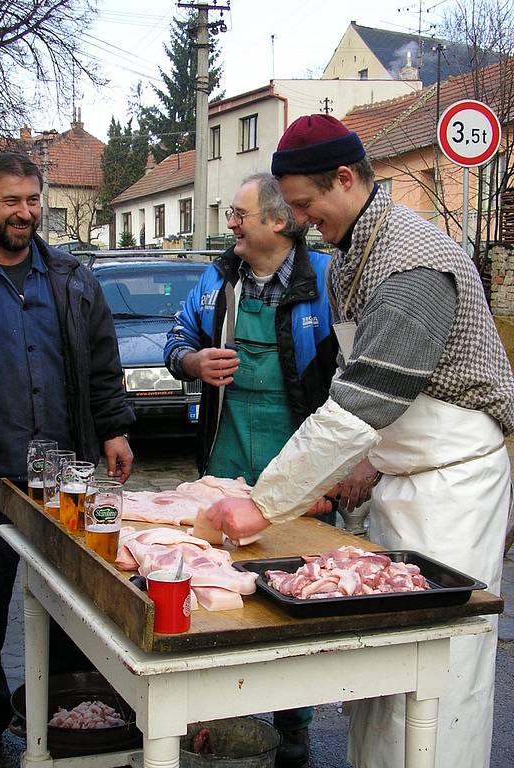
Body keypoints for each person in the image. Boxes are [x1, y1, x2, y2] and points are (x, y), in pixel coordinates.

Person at [205, 115, 514, 768]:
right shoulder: (351, 261)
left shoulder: (414, 264)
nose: (301, 222)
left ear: (345, 179)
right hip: (403, 479)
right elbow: (373, 395)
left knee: (440, 673)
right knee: (383, 676)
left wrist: (266, 502)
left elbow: (358, 404)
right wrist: (362, 471)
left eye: (306, 206)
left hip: (453, 490)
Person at [165, 172, 375, 768]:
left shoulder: (327, 282)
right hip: (226, 451)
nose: (228, 223)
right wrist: (192, 361)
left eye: (239, 214)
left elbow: (362, 374)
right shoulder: (217, 277)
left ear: (278, 223)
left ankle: (294, 727)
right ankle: (212, 714)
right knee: (216, 588)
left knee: (297, 589)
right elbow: (176, 338)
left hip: (300, 456)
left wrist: (354, 460)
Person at [0, 152, 135, 768]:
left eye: (32, 200)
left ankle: (67, 709)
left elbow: (102, 362)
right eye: (10, 201)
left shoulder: (73, 277)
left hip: (65, 476)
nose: (25, 213)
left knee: (73, 602)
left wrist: (114, 430)